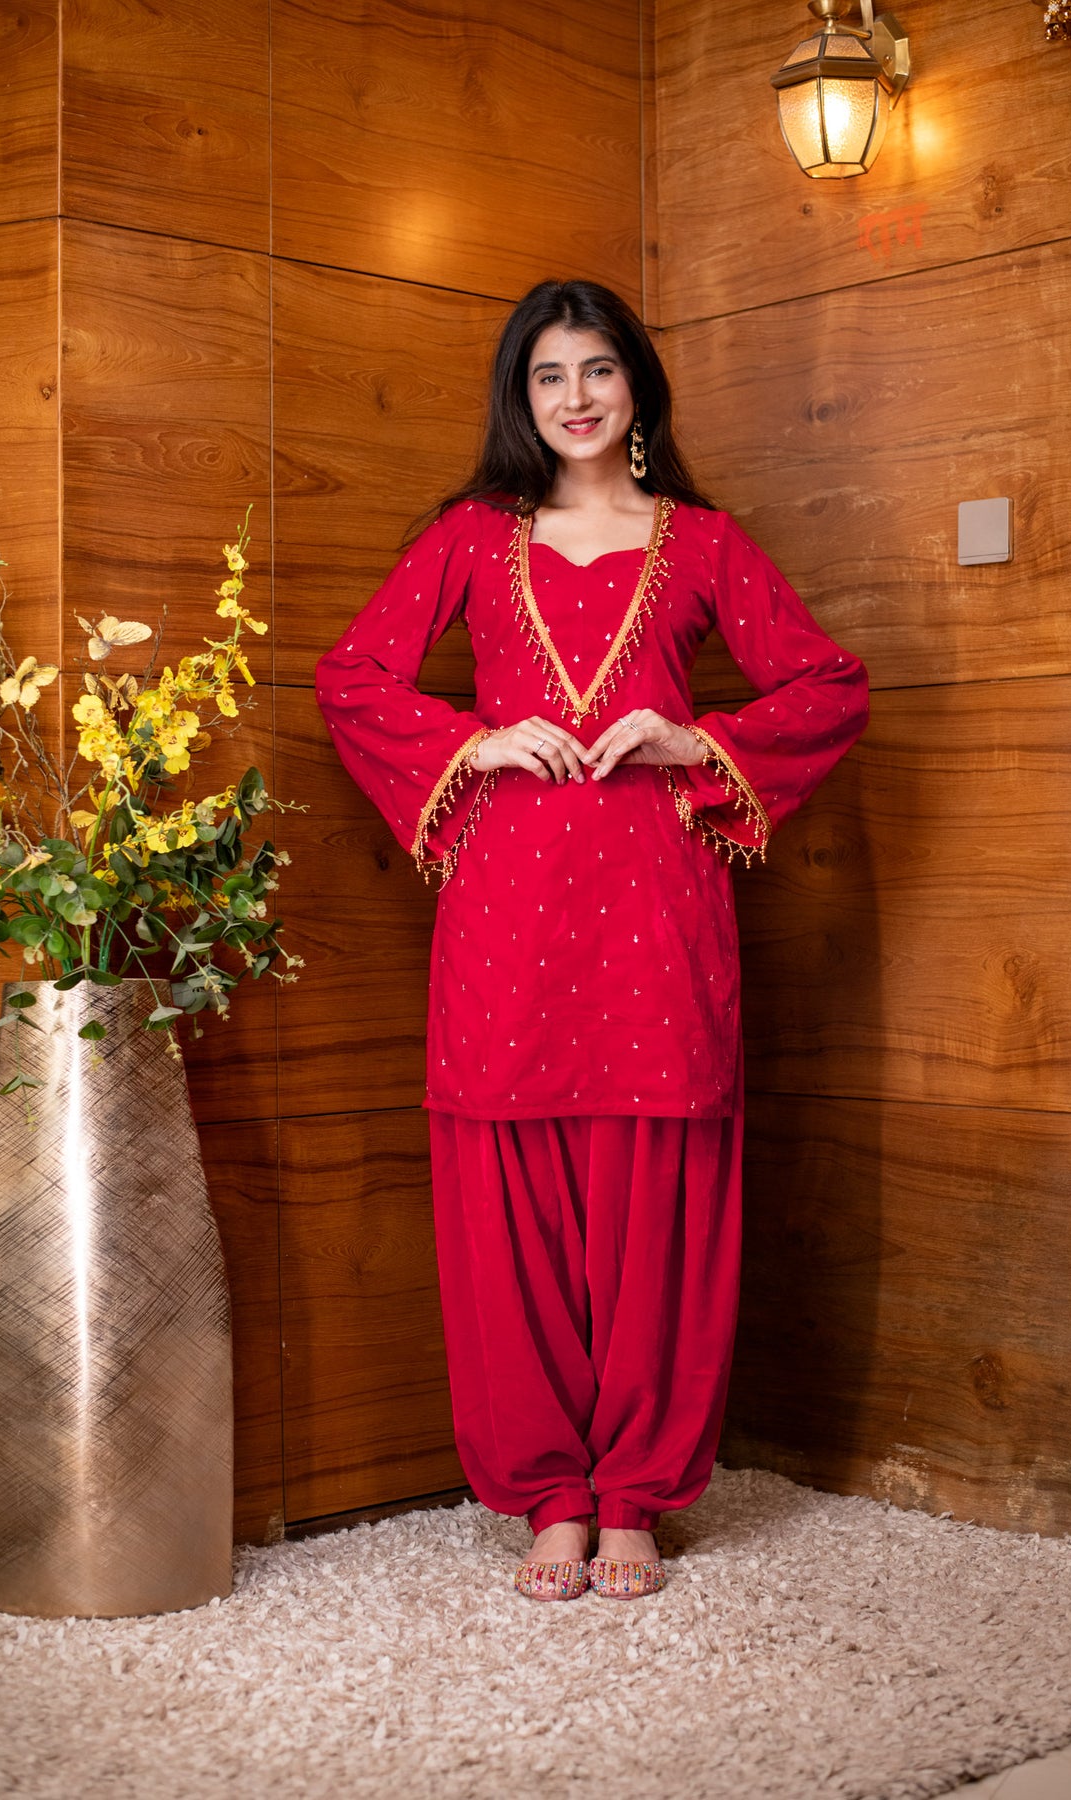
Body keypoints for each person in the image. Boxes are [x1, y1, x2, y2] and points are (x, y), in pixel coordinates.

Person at [315, 279, 868, 1603]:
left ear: (636, 387)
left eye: (598, 370)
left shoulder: (706, 543)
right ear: (521, 397)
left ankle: (634, 1493)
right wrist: (475, 741)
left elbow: (827, 685)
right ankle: (549, 1493)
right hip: (506, 906)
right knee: (510, 1182)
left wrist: (696, 738)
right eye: (548, 375)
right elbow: (354, 678)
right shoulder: (470, 537)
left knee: (653, 1180)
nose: (575, 397)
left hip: (657, 902)